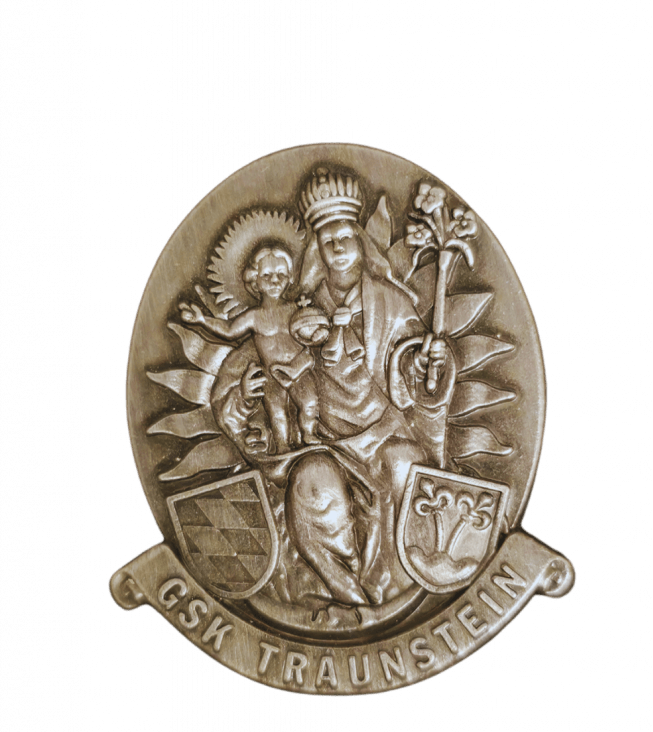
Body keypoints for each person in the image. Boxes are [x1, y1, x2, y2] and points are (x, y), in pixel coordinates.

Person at [211, 169, 454, 610]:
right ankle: (347, 595)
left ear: (361, 242)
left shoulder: (391, 303)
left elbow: (412, 367)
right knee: (313, 486)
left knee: (406, 467)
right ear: (316, 252)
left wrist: (426, 367)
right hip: (323, 443)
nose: (337, 247)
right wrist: (246, 393)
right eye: (327, 241)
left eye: (345, 237)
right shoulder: (293, 311)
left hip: (385, 432)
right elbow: (244, 373)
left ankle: (399, 590)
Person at [179, 244, 321, 454]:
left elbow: (313, 328)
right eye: (267, 275)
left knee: (310, 402)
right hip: (271, 374)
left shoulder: (294, 309)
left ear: (290, 278)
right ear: (255, 281)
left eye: (281, 275)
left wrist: (318, 331)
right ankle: (282, 447)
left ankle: (309, 433)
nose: (275, 281)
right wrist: (202, 320)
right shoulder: (253, 317)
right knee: (276, 412)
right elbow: (229, 330)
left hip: (299, 369)